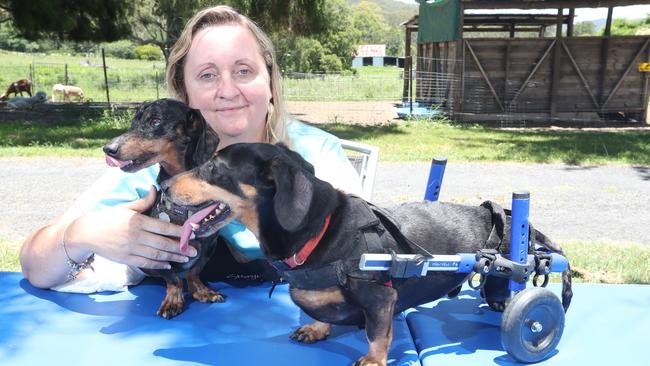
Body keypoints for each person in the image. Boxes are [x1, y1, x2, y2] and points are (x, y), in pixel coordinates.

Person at [20, 5, 363, 292]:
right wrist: (84, 235)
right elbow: (35, 266)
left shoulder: (315, 155)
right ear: (184, 96)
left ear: (270, 83)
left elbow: (362, 254)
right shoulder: (153, 170)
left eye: (243, 71)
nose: (227, 90)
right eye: (207, 76)